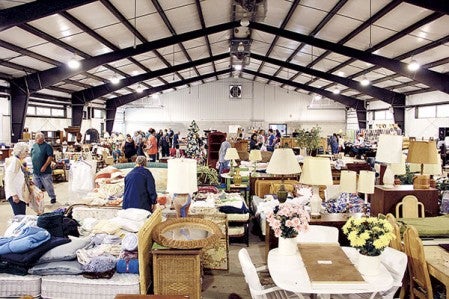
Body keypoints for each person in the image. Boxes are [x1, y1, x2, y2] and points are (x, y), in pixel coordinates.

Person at [31, 132, 57, 204]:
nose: (40, 142)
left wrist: (45, 166)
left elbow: (50, 157)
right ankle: (38, 200)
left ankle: (52, 197)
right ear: (36, 139)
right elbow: (32, 155)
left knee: (48, 186)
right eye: (38, 140)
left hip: (45, 172)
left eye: (41, 140)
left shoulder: (47, 146)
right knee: (36, 187)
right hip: (36, 171)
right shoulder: (34, 145)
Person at [4, 142, 29, 215]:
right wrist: (14, 194)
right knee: (19, 216)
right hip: (16, 194)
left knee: (21, 215)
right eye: (26, 151)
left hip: (19, 193)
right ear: (20, 151)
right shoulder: (15, 161)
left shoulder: (17, 160)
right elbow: (8, 179)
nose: (27, 154)